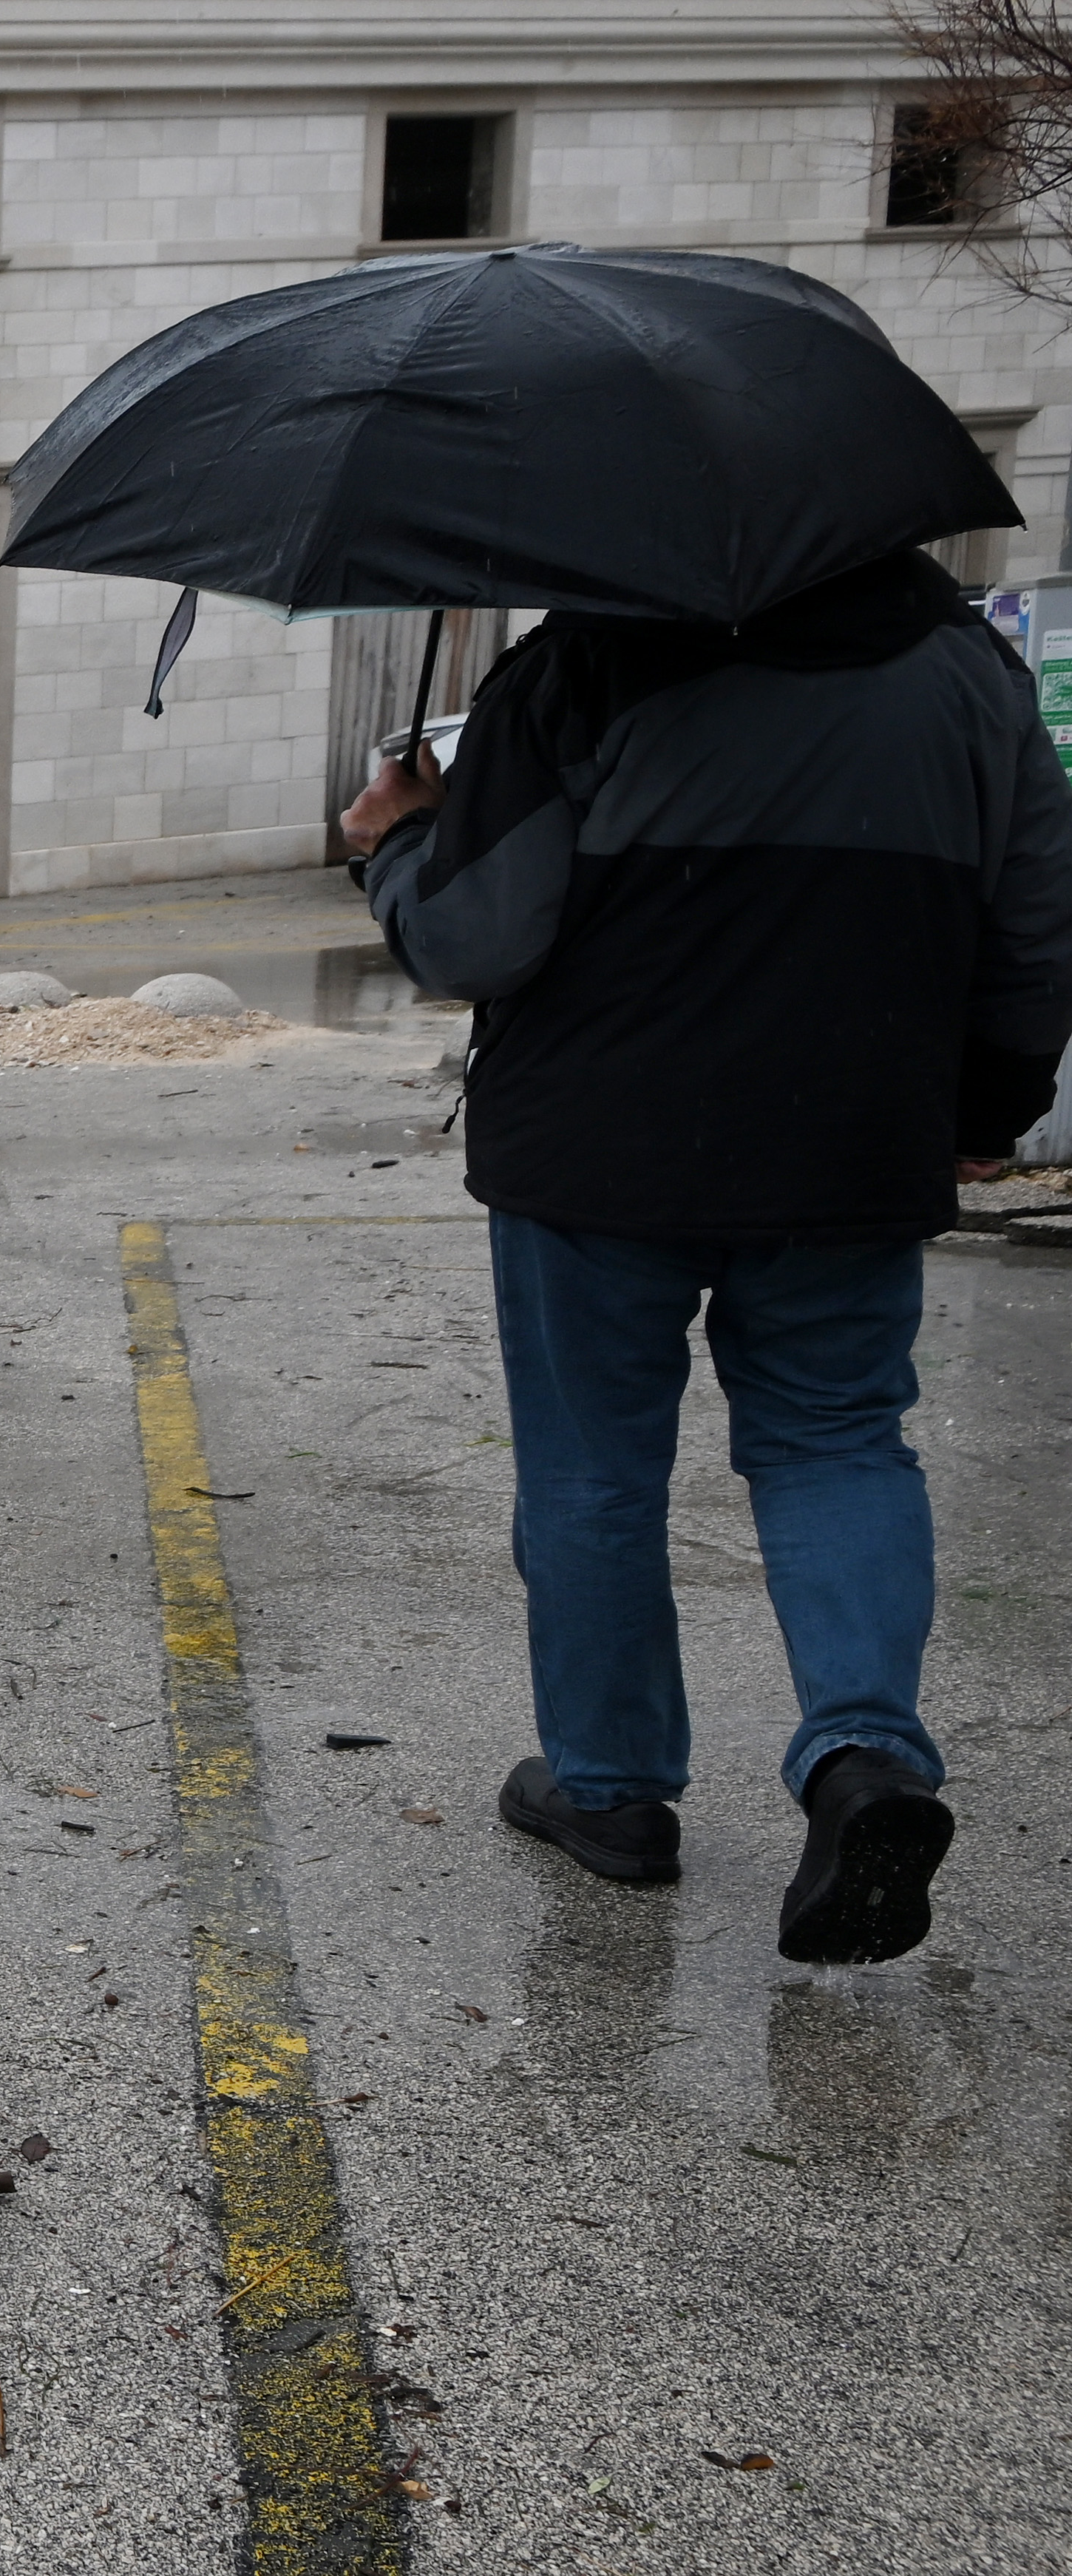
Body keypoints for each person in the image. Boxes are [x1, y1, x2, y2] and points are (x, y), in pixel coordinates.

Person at [340, 550, 1072, 1959]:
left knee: (593, 1464)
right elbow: (1039, 915)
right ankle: (866, 1759)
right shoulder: (966, 666)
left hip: (596, 1149)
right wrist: (987, 1107)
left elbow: (473, 936)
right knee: (842, 1439)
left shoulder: (586, 658)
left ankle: (611, 1793)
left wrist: (400, 841)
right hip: (852, 1140)